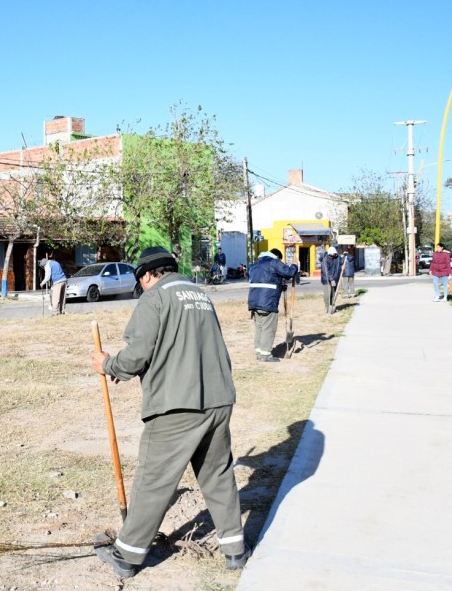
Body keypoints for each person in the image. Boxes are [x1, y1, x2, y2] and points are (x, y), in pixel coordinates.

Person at [89, 246, 249, 578]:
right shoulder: (200, 294)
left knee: (154, 480)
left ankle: (127, 555)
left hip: (177, 405)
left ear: (147, 274)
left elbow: (136, 355)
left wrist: (108, 365)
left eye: (140, 280)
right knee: (218, 475)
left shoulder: (155, 297)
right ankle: (235, 551)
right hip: (219, 398)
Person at [248, 248, 297, 362]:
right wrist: (295, 266)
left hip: (254, 302)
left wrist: (280, 287)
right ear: (277, 257)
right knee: (268, 328)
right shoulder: (274, 262)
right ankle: (265, 355)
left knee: (259, 327)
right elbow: (288, 273)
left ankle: (259, 352)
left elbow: (266, 280)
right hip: (268, 303)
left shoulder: (257, 264)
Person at [320, 246, 342, 315]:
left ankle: (332, 305)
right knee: (327, 294)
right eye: (332, 254)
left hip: (335, 279)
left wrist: (345, 259)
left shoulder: (337, 258)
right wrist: (331, 279)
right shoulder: (325, 260)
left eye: (334, 254)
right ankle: (327, 307)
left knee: (333, 294)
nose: (333, 255)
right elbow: (326, 271)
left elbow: (342, 262)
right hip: (326, 280)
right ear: (329, 254)